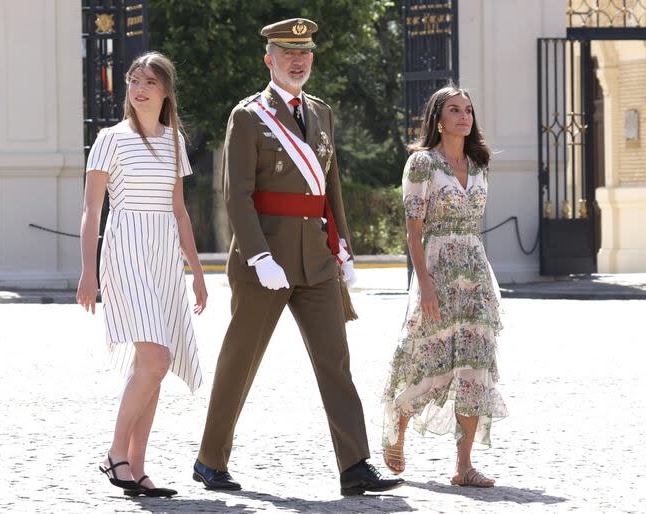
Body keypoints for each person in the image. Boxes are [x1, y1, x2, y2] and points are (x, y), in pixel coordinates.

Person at [191, 18, 404, 496]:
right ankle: (209, 459)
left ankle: (355, 466)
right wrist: (259, 256)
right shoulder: (249, 116)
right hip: (264, 261)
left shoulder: (322, 112)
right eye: (287, 52)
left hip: (316, 259)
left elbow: (331, 189)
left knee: (336, 361)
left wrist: (343, 247)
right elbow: (237, 196)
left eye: (305, 52)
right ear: (269, 59)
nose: (297, 59)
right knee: (240, 362)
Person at [76, 51, 207, 498]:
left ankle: (136, 465)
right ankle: (114, 454)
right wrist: (87, 272)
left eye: (150, 80)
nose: (139, 87)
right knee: (155, 360)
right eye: (134, 79)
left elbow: (180, 212)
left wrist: (198, 272)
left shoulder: (174, 141)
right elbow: (93, 210)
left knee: (151, 366)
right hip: (125, 248)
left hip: (165, 254)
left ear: (166, 90)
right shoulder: (110, 139)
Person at [381, 85, 508, 487]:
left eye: (468, 110)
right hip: (437, 269)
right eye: (454, 110)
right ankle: (397, 424)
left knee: (476, 364)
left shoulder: (479, 164)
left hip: (475, 273)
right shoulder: (422, 164)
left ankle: (464, 465)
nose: (463, 116)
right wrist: (426, 285)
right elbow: (413, 231)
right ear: (439, 118)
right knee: (424, 354)